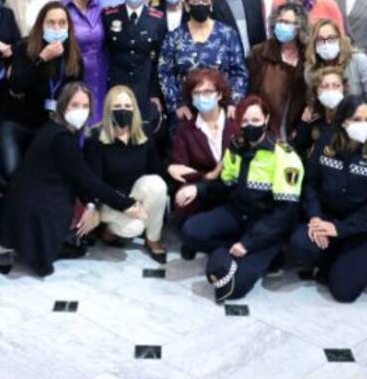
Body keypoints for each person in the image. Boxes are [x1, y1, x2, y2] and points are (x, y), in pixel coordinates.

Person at [0, 82, 143, 277]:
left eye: (85, 106)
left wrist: (92, 205)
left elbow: (81, 177)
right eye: (74, 105)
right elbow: (87, 180)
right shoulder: (62, 138)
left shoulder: (56, 128)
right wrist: (126, 203)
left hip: (27, 202)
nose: (80, 111)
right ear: (63, 105)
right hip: (38, 207)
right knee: (67, 208)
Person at [176, 96, 304, 301]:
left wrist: (248, 243)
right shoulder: (236, 147)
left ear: (266, 119)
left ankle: (264, 254)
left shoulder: (285, 156)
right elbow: (224, 186)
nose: (249, 125)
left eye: (255, 120)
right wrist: (197, 189)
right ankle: (232, 250)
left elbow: (285, 213)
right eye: (244, 121)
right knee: (190, 232)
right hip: (237, 213)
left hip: (266, 225)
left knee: (233, 288)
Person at [289, 95, 367, 302]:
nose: (364, 125)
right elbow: (311, 183)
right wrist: (315, 218)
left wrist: (340, 229)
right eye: (357, 119)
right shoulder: (326, 142)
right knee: (300, 244)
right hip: (327, 218)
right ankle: (334, 258)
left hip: (363, 230)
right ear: (342, 121)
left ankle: (366, 260)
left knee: (344, 292)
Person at [81, 86, 168, 262]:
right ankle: (108, 229)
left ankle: (153, 239)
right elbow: (95, 184)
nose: (123, 110)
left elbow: (155, 171)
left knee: (157, 184)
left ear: (135, 109)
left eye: (128, 106)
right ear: (108, 109)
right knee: (134, 228)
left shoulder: (144, 131)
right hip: (110, 199)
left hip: (136, 195)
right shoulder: (95, 137)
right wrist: (123, 205)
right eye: (117, 106)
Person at [3, 2, 82, 178]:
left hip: (50, 128)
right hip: (18, 123)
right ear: (41, 25)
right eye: (51, 23)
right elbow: (17, 85)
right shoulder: (25, 47)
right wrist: (42, 58)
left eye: (62, 23)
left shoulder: (74, 55)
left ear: (69, 27)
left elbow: (76, 93)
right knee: (13, 175)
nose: (57, 28)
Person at [159, 0, 248, 120]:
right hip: (186, 112)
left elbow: (239, 71)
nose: (201, 5)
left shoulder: (227, 34)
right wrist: (176, 105)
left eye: (205, 1)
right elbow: (165, 73)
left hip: (221, 109)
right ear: (187, 5)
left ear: (211, 4)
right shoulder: (174, 37)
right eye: (195, 1)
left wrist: (233, 102)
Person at [104, 0, 167, 134]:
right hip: (116, 86)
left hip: (144, 87)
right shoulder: (109, 15)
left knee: (142, 134)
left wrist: (155, 93)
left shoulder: (157, 18)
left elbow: (160, 60)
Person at [167, 69, 236, 217]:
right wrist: (209, 176)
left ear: (219, 94)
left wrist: (205, 175)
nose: (202, 97)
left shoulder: (235, 123)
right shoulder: (186, 128)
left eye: (207, 92)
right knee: (183, 201)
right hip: (203, 188)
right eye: (196, 93)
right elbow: (179, 170)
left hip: (234, 187)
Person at [248, 2, 311, 139]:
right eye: (280, 21)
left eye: (288, 22)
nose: (283, 25)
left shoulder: (308, 56)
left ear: (299, 26)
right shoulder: (260, 53)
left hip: (296, 130)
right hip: (266, 128)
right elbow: (251, 93)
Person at [65, 0, 109, 127]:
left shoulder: (102, 8)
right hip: (73, 76)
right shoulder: (62, 8)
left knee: (98, 129)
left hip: (100, 77)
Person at [304, 18, 367, 111]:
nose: (326, 44)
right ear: (314, 44)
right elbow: (313, 101)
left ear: (340, 39)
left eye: (331, 38)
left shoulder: (359, 60)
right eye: (320, 40)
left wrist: (363, 116)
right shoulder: (310, 69)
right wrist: (310, 110)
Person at [294, 66, 347, 158]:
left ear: (344, 89)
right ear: (317, 91)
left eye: (336, 86)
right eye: (325, 86)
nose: (331, 90)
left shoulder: (352, 120)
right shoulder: (312, 119)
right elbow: (298, 147)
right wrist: (304, 123)